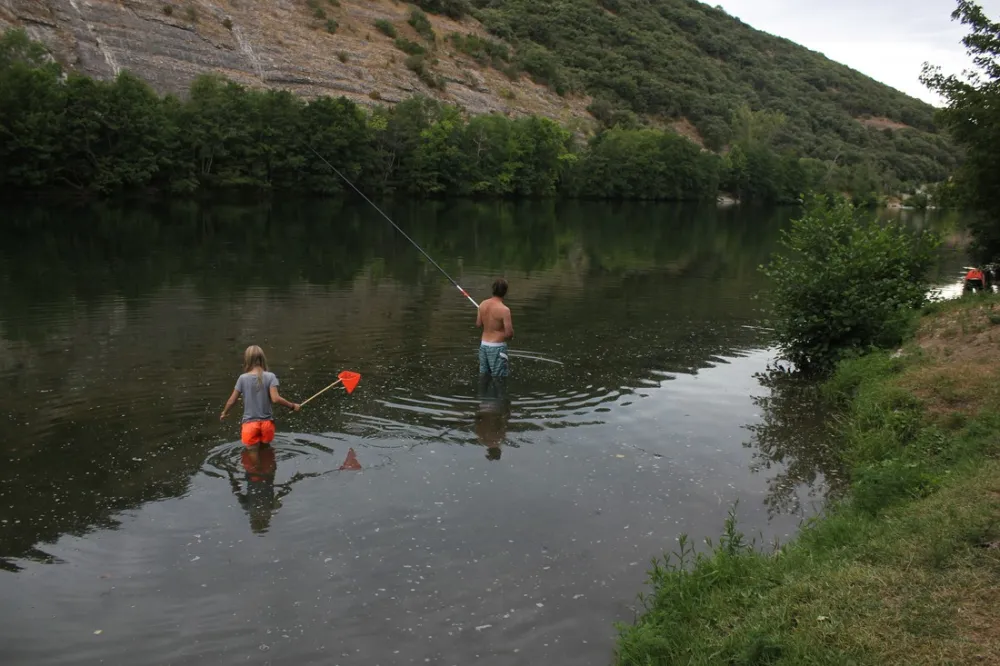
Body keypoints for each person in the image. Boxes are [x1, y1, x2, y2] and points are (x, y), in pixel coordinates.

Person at [220, 345, 300, 446]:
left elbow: (232, 400)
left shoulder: (242, 378)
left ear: (247, 360)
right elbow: (275, 399)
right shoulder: (270, 376)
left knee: (251, 456)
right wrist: (292, 406)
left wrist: (224, 412)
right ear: (263, 358)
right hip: (267, 424)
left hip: (250, 425)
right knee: (267, 452)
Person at [476, 278, 514, 378]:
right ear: (505, 291)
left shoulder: (482, 304)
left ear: (493, 289)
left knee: (484, 376)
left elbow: (478, 324)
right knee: (499, 379)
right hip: (497, 348)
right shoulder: (505, 310)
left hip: (483, 346)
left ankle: (483, 393)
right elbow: (509, 334)